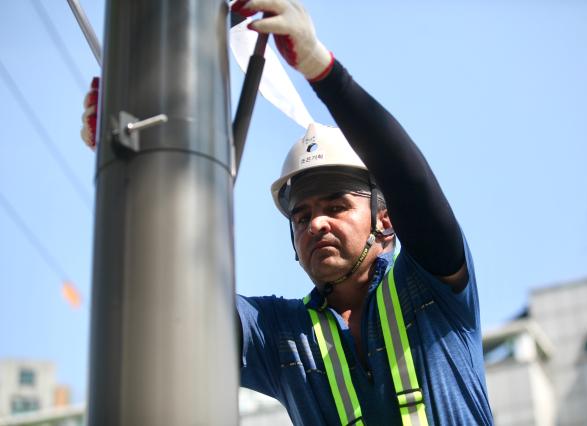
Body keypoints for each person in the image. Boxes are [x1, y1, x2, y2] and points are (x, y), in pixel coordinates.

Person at [82, 1, 493, 424]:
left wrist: (324, 71)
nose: (315, 223)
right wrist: (135, 171)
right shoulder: (281, 334)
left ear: (385, 219)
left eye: (336, 206)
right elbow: (174, 292)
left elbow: (412, 186)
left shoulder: (431, 290)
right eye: (301, 216)